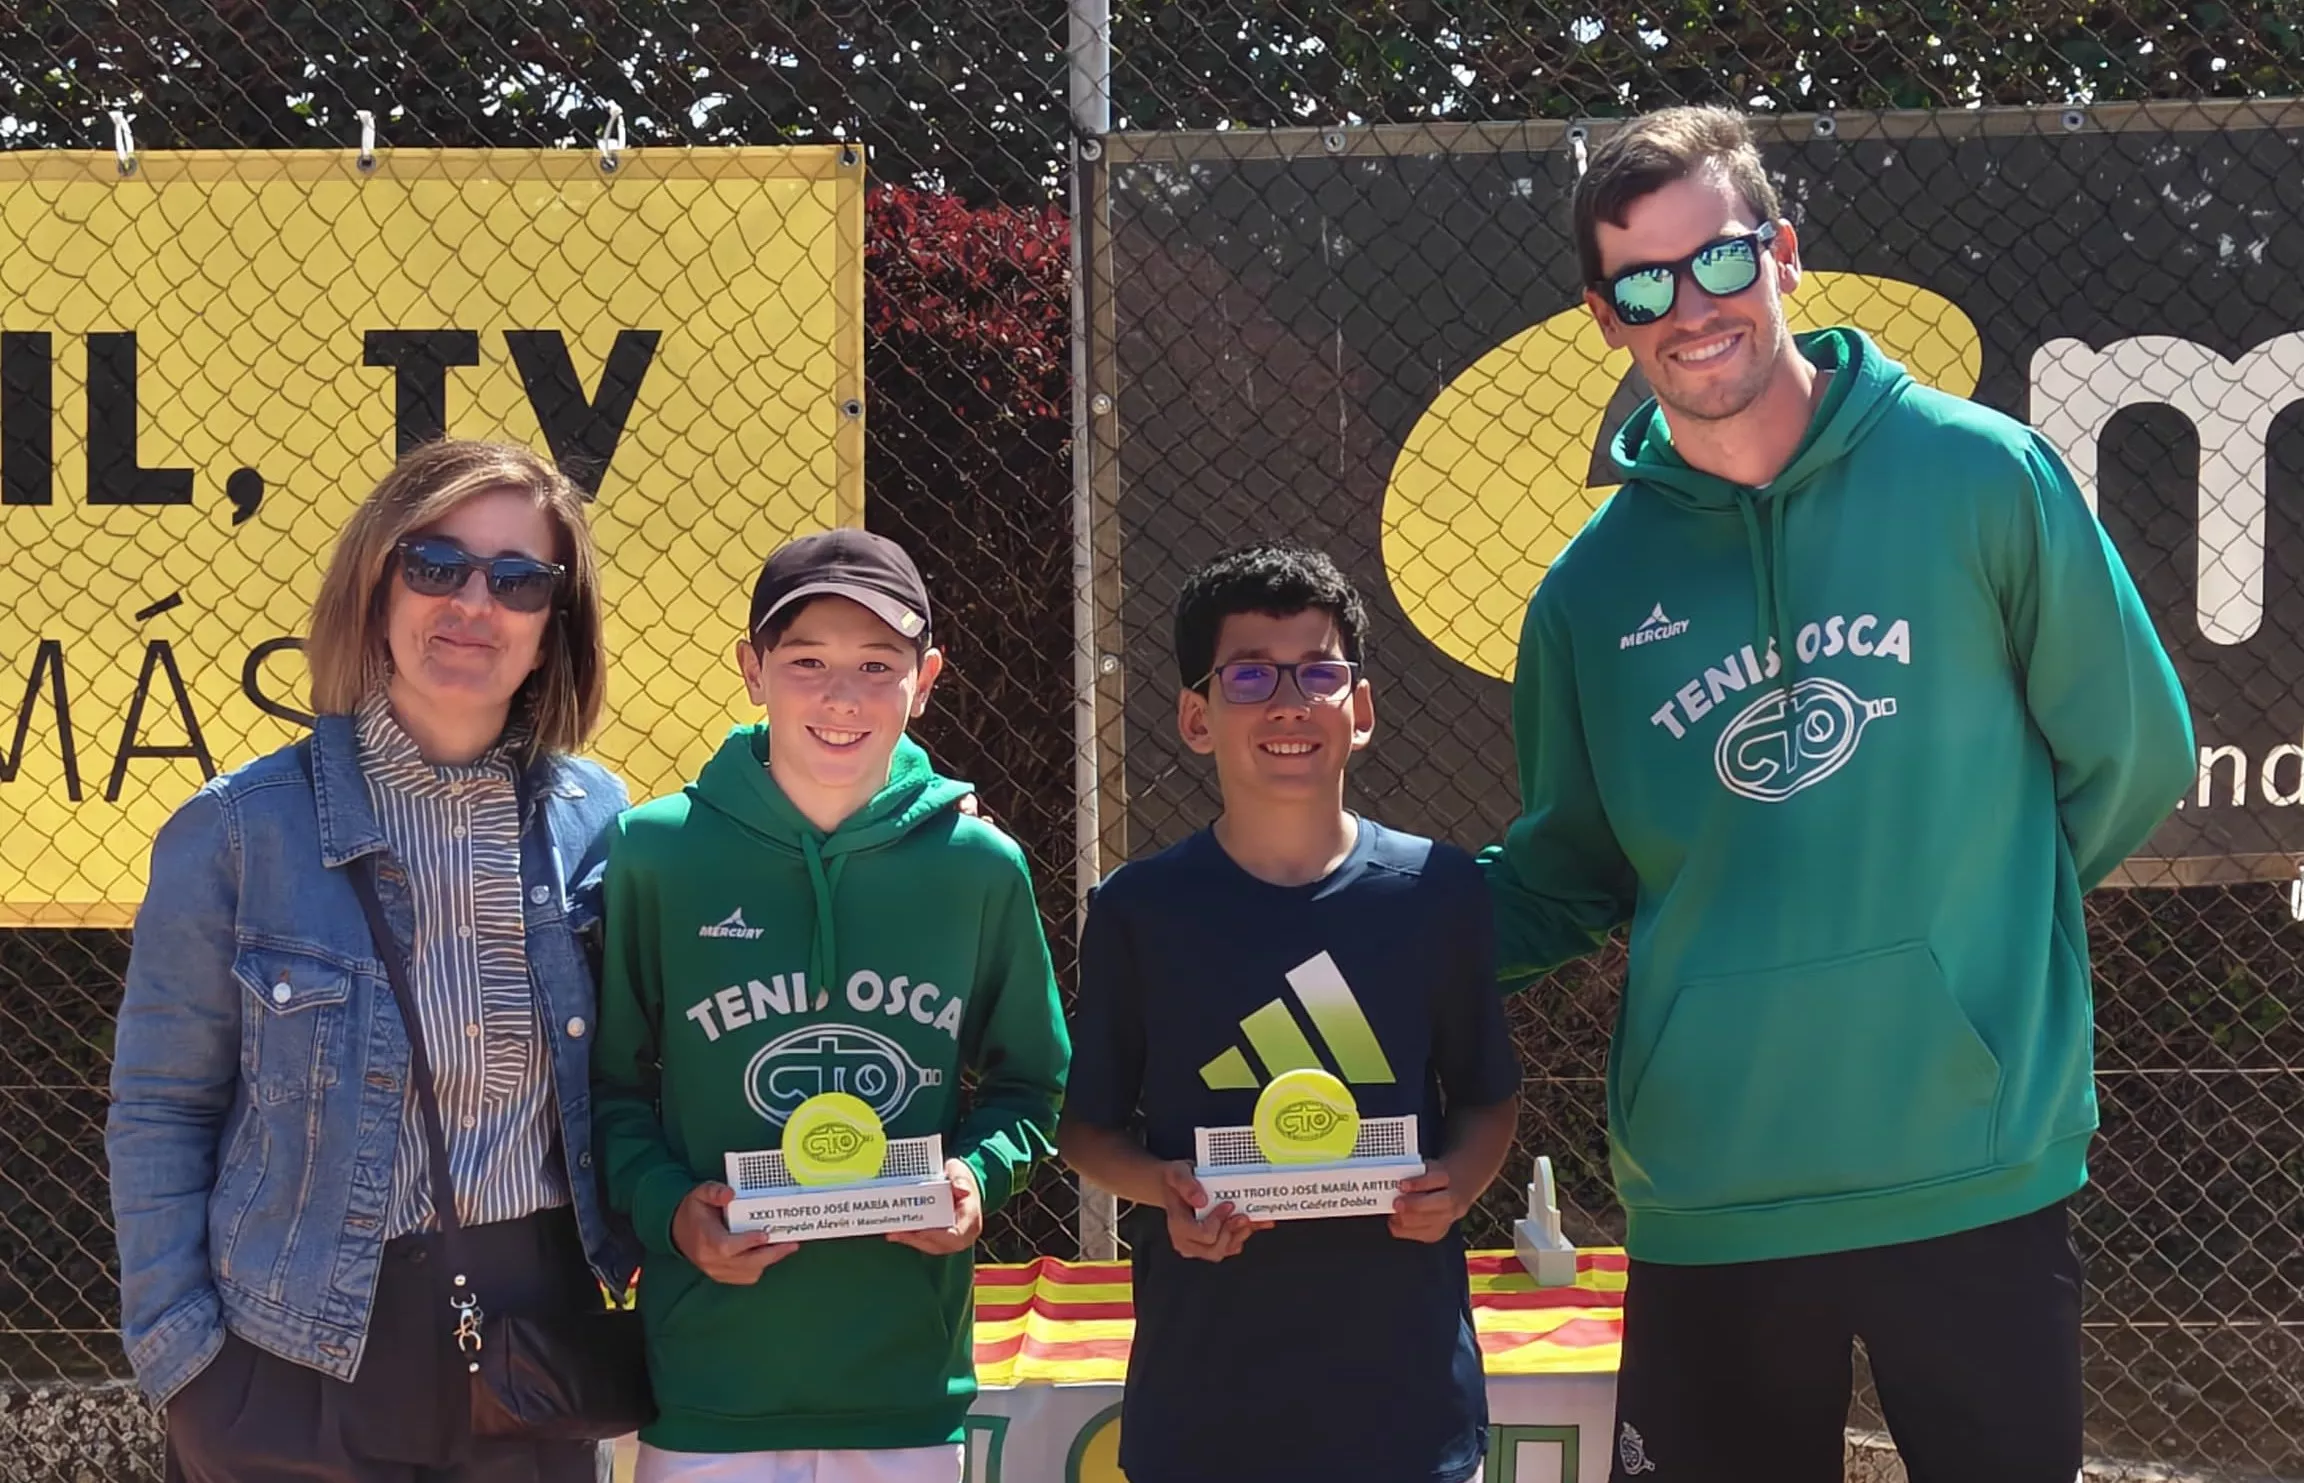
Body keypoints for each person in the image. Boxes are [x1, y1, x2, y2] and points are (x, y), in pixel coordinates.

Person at [1481, 105, 2197, 1482]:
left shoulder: (1981, 474)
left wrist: (1974, 944)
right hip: (1716, 1184)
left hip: (1972, 1158)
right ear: (1604, 318)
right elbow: (1568, 868)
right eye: (1644, 284)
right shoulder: (1588, 593)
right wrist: (1358, 926)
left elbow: (2136, 754)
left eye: (1718, 259)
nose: (1691, 308)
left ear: (1784, 255)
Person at [107, 439, 631, 1482]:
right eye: (436, 565)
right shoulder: (239, 830)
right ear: (376, 587)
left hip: (532, 1358)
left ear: (552, 630)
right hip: (289, 1364)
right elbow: (161, 1105)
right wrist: (186, 1366)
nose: (473, 604)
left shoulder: (600, 823)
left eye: (518, 580)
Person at [591, 527, 1070, 1483]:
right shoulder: (656, 852)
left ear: (925, 679)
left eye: (877, 664)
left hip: (904, 1379)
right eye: (806, 660)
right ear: (752, 670)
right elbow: (604, 1088)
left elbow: (1033, 1083)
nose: (841, 696)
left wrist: (977, 1177)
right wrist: (671, 1210)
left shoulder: (979, 867)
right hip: (709, 1378)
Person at [1060, 540, 1522, 1483]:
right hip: (1205, 1406)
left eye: (1318, 671)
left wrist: (1458, 1183)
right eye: (1249, 675)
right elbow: (1088, 1131)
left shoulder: (1437, 890)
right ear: (1196, 717)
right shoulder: (1139, 909)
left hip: (1405, 1404)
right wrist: (1168, 1189)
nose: (1288, 701)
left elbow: (1487, 1097)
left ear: (1360, 709)